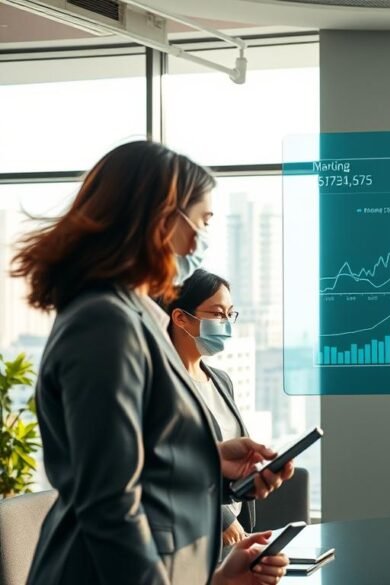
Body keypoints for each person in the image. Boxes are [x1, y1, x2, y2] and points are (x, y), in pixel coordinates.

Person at [12, 141, 294, 585]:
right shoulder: (104, 322)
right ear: (162, 220)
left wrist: (212, 461)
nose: (203, 239)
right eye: (202, 221)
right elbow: (111, 503)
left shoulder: (136, 317)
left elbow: (142, 469)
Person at [164, 269, 255, 546]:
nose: (226, 323)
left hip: (235, 533)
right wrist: (221, 517)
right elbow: (170, 464)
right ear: (180, 318)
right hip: (190, 534)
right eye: (217, 314)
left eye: (230, 314)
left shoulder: (221, 380)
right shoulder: (163, 385)